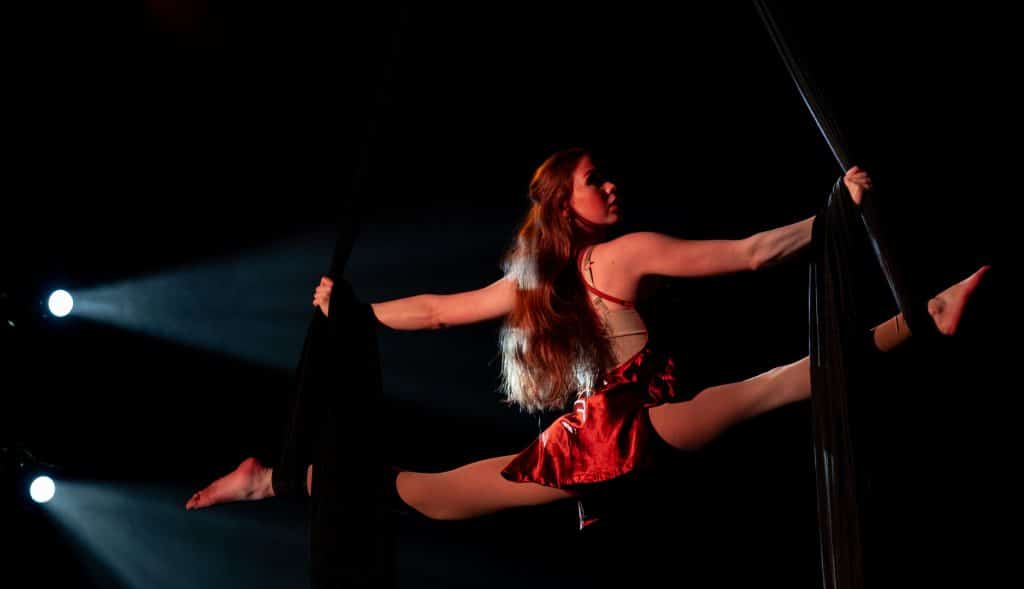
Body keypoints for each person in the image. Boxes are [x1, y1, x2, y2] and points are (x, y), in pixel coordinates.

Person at [185, 148, 989, 521]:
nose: (614, 185)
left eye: (611, 176)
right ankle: (925, 316)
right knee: (778, 385)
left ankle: (277, 483)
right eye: (596, 180)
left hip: (605, 423)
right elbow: (749, 256)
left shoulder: (543, 280)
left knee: (431, 496)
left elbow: (433, 310)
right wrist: (830, 212)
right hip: (622, 425)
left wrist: (356, 313)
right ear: (569, 204)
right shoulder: (609, 258)